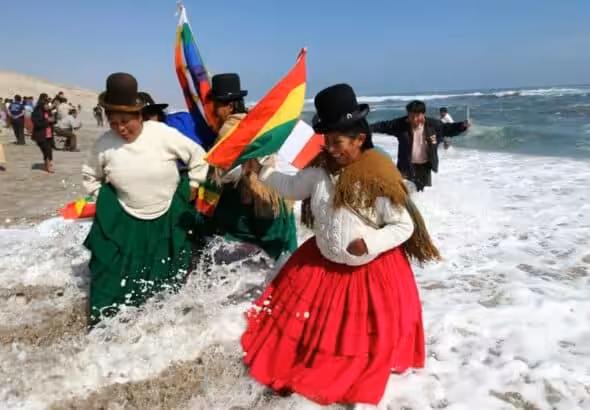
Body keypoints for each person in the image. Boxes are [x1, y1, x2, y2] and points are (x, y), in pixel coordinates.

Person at [240, 84, 441, 406]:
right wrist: (262, 172)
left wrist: (371, 242)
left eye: (338, 142)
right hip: (324, 262)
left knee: (357, 342)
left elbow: (403, 225)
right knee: (310, 333)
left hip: (369, 270)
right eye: (327, 141)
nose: (331, 148)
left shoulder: (376, 174)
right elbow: (291, 187)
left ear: (360, 138)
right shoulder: (320, 171)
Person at [82, 73, 209, 327]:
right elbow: (89, 175)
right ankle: (111, 328)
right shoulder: (104, 144)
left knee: (168, 274)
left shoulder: (161, 133)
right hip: (125, 223)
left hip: (167, 217)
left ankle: (163, 323)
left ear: (140, 115)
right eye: (113, 121)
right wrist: (105, 202)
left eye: (126, 121)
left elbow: (198, 155)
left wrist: (194, 184)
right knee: (113, 278)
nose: (120, 128)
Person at [202, 73, 298, 260]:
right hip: (276, 200)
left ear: (229, 106)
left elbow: (221, 173)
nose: (214, 112)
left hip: (254, 205)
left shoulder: (229, 129)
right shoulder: (256, 121)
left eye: (217, 106)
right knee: (279, 261)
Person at [371, 100, 471, 192]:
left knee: (423, 195)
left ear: (423, 114)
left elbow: (448, 128)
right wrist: (365, 128)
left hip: (425, 167)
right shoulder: (400, 124)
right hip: (406, 166)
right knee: (403, 193)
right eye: (411, 116)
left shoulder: (433, 125)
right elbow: (383, 126)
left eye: (417, 116)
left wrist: (462, 125)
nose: (414, 119)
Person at [31, 93, 55, 173]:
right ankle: (47, 166)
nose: (48, 105)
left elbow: (52, 120)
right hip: (40, 134)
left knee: (47, 150)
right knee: (47, 150)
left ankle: (46, 164)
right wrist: (48, 121)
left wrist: (53, 120)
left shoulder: (48, 111)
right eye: (46, 103)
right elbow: (37, 124)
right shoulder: (37, 111)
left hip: (48, 134)